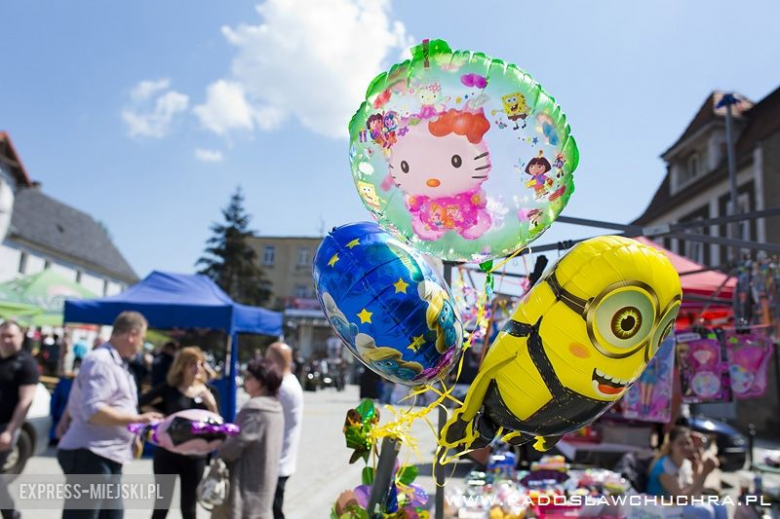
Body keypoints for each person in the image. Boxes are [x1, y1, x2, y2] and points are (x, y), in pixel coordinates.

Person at [56, 311, 163, 519]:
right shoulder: (102, 361)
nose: (141, 344)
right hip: (91, 454)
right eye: (142, 338)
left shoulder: (114, 362)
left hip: (105, 454)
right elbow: (94, 410)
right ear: (131, 335)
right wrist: (138, 420)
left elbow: (82, 396)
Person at [139, 346, 219, 519]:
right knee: (161, 506)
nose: (198, 368)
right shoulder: (170, 389)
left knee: (189, 508)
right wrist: (162, 418)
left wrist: (211, 405)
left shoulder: (209, 393)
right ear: (182, 367)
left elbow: (217, 427)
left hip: (194, 457)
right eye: (192, 364)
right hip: (168, 454)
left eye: (200, 364)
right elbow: (142, 402)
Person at [212, 359, 283, 519]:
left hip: (243, 487)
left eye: (249, 376)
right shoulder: (275, 407)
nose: (245, 380)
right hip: (264, 485)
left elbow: (231, 449)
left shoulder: (254, 409)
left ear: (261, 381)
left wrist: (219, 445)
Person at [0, 320, 40, 519]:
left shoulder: (26, 364)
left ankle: (11, 514)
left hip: (6, 426)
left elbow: (25, 401)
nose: (6, 340)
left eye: (11, 336)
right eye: (3, 335)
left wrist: (10, 430)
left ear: (21, 337)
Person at [646, 426, 726, 519]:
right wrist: (704, 473)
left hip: (676, 504)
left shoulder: (685, 462)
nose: (685, 447)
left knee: (720, 506)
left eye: (688, 443)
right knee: (704, 511)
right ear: (671, 445)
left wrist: (697, 469)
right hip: (661, 506)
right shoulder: (663, 466)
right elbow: (682, 499)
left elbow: (695, 493)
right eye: (680, 443)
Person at [265, 342, 303, 519]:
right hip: (281, 459)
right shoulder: (290, 382)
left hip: (276, 461)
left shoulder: (283, 387)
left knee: (273, 510)